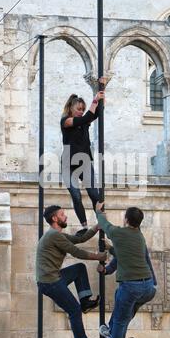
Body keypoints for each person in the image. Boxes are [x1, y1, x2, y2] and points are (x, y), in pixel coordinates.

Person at [36, 205, 107, 338]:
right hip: (50, 283)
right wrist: (99, 257)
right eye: (62, 214)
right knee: (74, 311)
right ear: (55, 219)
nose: (65, 216)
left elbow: (79, 239)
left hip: (55, 278)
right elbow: (77, 252)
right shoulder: (53, 236)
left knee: (79, 269)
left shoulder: (57, 235)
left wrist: (97, 226)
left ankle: (86, 301)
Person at [95, 202, 156, 338]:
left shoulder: (120, 233)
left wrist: (98, 211)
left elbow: (104, 225)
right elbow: (125, 255)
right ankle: (110, 330)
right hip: (148, 288)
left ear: (126, 219)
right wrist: (111, 249)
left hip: (131, 287)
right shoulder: (139, 236)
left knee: (122, 320)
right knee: (122, 308)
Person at [60, 79, 106, 235]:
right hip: (68, 164)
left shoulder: (84, 122)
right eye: (78, 109)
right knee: (76, 195)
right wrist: (95, 99)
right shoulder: (65, 121)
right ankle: (85, 226)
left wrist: (101, 88)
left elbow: (98, 113)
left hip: (84, 162)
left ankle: (102, 222)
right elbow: (86, 117)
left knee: (95, 194)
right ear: (71, 109)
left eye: (83, 109)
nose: (80, 111)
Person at [97, 239, 157, 318]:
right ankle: (111, 329)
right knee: (124, 317)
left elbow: (127, 258)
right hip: (138, 289)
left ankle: (111, 329)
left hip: (143, 287)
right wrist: (104, 270)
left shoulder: (138, 244)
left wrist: (110, 248)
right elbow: (113, 265)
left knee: (120, 313)